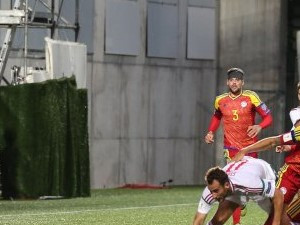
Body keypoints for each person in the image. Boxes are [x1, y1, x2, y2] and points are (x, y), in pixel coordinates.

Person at [204, 67, 273, 225]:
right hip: (231, 149)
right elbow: (216, 117)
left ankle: (254, 206)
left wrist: (260, 126)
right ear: (227, 82)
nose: (234, 83)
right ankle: (237, 222)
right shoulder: (220, 100)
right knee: (232, 183)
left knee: (251, 183)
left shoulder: (251, 97)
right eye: (231, 80)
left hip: (250, 148)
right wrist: (210, 132)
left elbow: (268, 117)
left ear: (242, 82)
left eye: (237, 80)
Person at [193, 156, 284, 225]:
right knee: (219, 219)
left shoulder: (249, 183)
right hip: (235, 186)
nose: (213, 196)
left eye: (216, 191)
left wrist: (276, 223)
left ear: (226, 185)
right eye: (211, 191)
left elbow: (278, 194)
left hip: (263, 177)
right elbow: (199, 219)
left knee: (282, 219)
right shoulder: (211, 190)